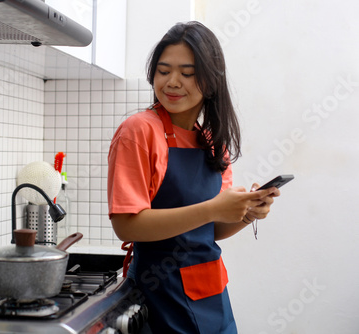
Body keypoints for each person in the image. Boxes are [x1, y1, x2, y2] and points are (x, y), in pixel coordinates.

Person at [107, 21, 281, 333]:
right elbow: (125, 224)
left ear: (211, 81)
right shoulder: (139, 131)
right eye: (164, 71)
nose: (173, 82)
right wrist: (213, 208)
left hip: (212, 293)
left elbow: (208, 230)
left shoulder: (212, 142)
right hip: (160, 295)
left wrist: (245, 213)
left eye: (187, 73)